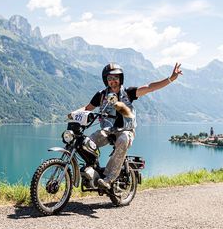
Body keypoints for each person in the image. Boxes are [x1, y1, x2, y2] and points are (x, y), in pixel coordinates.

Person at [74, 62, 182, 190]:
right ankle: (93, 170)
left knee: (123, 139)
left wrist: (170, 78)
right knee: (86, 142)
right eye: (109, 78)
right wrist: (73, 114)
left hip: (126, 130)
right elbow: (87, 108)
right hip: (108, 131)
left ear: (120, 79)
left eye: (115, 77)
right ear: (106, 80)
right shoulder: (101, 95)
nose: (113, 81)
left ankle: (108, 179)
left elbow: (150, 87)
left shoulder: (128, 93)